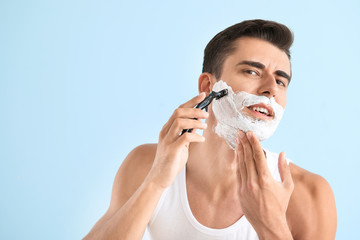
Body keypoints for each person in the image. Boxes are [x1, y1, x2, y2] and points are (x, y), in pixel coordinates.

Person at [83, 19, 337, 240]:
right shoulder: (146, 163)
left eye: (281, 81)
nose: (271, 88)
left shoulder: (310, 194)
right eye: (252, 71)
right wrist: (156, 181)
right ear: (208, 85)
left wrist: (272, 226)